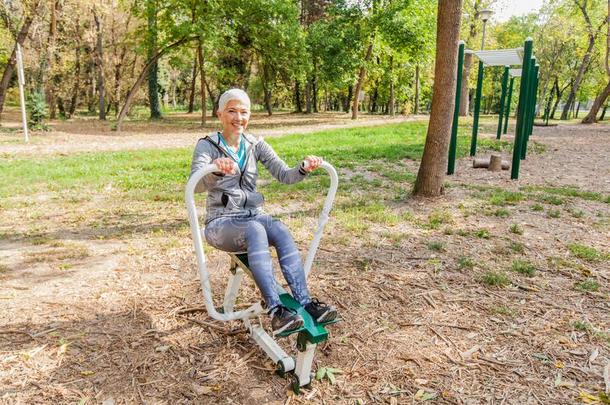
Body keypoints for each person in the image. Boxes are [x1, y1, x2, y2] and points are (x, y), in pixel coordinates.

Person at [190, 88, 337, 334]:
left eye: (244, 112)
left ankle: (306, 302)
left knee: (278, 227)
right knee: (256, 229)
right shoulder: (207, 146)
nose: (238, 117)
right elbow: (195, 183)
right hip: (220, 224)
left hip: (252, 217)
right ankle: (276, 310)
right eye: (232, 111)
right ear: (220, 114)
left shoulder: (255, 144)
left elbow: (284, 174)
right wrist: (214, 169)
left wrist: (302, 168)